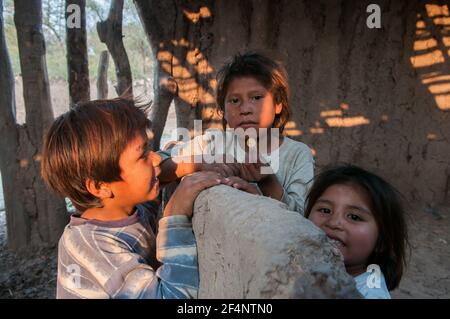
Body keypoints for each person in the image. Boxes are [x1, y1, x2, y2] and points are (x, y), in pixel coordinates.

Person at [41, 97, 223, 299]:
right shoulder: (92, 247)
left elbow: (160, 171)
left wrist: (193, 165)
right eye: (142, 155)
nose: (155, 159)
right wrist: (175, 216)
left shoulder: (126, 207)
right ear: (100, 186)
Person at [160, 52, 314, 214]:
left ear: (278, 104)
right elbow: (155, 169)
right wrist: (198, 163)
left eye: (256, 97)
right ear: (223, 110)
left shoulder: (297, 155)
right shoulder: (211, 144)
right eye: (234, 101)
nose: (245, 109)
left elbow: (303, 219)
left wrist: (268, 181)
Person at [304, 164, 408, 298]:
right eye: (325, 210)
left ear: (381, 242)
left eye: (354, 217)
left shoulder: (369, 295)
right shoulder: (304, 266)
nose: (334, 223)